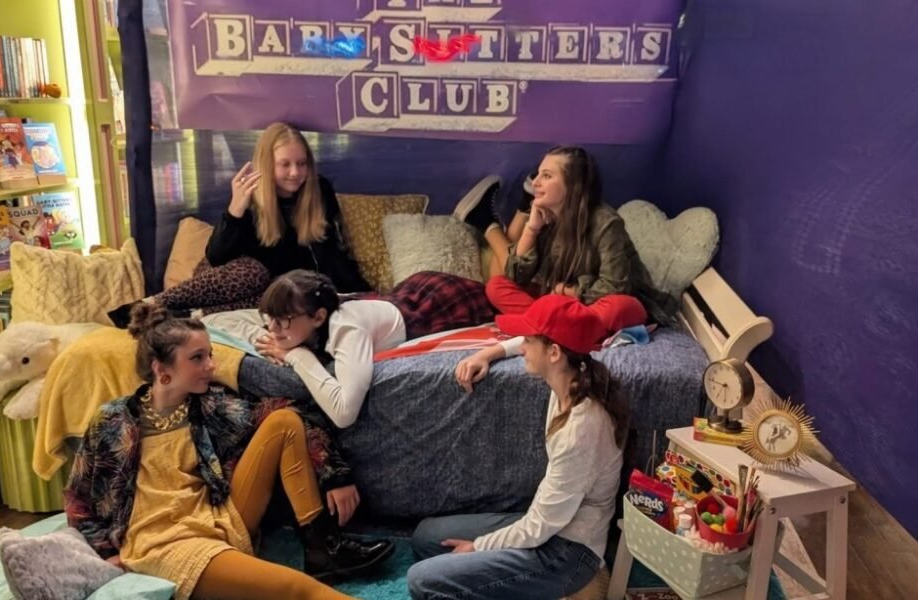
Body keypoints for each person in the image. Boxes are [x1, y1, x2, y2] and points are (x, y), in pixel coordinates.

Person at [65, 304, 393, 600]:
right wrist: (106, 553)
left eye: (209, 354)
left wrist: (334, 474)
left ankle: (322, 548)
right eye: (197, 358)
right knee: (297, 589)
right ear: (161, 368)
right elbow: (80, 499)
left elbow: (290, 412)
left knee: (283, 421)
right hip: (162, 542)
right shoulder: (114, 421)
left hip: (220, 518)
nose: (211, 365)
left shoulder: (211, 405)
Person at [406, 294, 631, 599]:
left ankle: (570, 586)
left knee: (422, 581)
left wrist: (478, 547)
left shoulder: (582, 428)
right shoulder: (570, 375)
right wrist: (489, 353)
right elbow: (534, 342)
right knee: (426, 537)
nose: (521, 347)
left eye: (527, 340)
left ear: (553, 353)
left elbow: (539, 527)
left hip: (567, 552)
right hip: (551, 522)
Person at [108, 122, 369, 326]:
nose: (295, 172)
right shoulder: (251, 194)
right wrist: (235, 210)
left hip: (268, 287)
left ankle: (183, 317)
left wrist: (360, 292)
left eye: (301, 164)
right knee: (255, 272)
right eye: (285, 164)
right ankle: (147, 306)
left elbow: (333, 251)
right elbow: (217, 257)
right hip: (225, 277)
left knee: (283, 295)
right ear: (267, 164)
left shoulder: (318, 191)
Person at [202, 269, 496, 429]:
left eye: (283, 321)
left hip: (439, 304)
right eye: (270, 319)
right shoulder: (301, 320)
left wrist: (296, 355)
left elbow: (344, 414)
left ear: (318, 317)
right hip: (400, 294)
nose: (273, 329)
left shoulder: (346, 330)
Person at [454, 147, 676, 326]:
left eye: (547, 176)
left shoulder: (606, 223)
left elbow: (615, 287)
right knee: (497, 286)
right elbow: (514, 277)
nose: (536, 182)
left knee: (619, 307)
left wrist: (566, 290)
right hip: (564, 305)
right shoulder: (543, 217)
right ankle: (559, 327)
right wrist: (532, 229)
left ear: (573, 185)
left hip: (593, 304)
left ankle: (546, 325)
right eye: (538, 174)